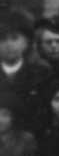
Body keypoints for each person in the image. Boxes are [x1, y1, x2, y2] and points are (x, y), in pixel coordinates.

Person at [0, 8, 53, 137]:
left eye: (14, 38)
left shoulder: (41, 72)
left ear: (27, 42)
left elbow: (46, 114)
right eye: (2, 39)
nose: (9, 44)